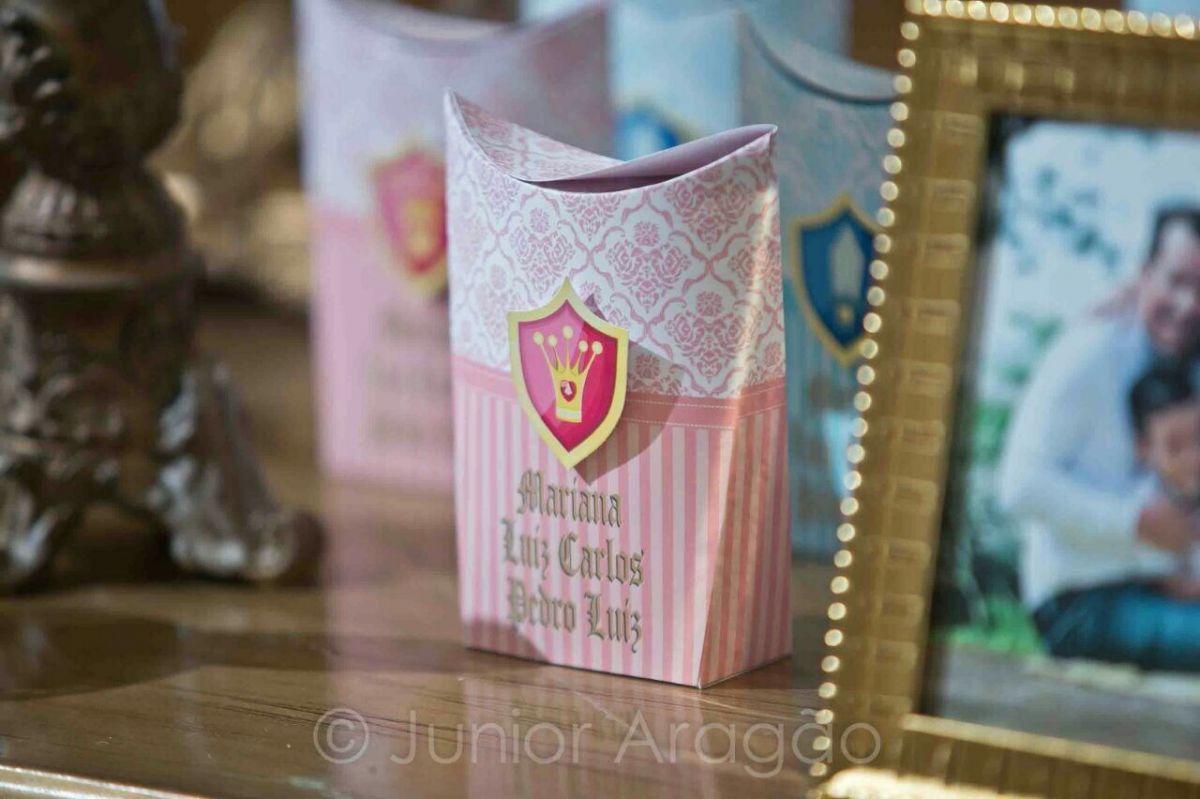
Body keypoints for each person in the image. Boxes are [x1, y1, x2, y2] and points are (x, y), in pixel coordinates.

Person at [998, 207, 1200, 672]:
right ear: (1144, 274)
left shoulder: (1186, 362)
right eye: (1176, 281)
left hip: (1166, 587)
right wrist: (1135, 523)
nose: (1189, 304)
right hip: (1081, 602)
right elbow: (1019, 486)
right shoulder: (1088, 351)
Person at [1128, 362, 1200, 597]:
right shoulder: (1146, 508)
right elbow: (1174, 585)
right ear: (1143, 448)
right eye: (1175, 447)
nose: (1194, 457)